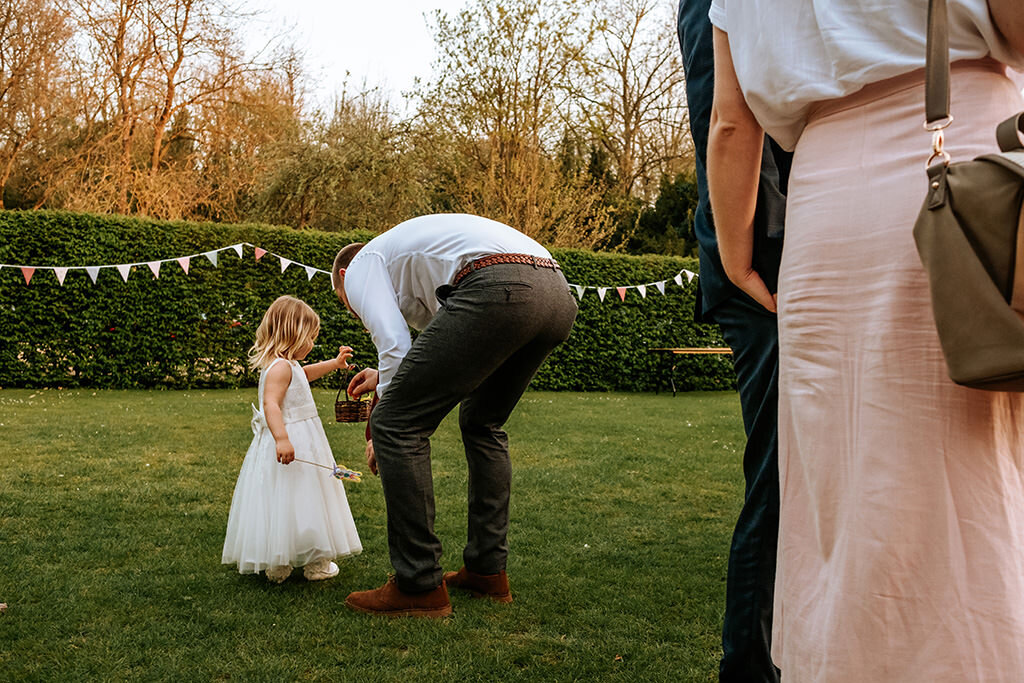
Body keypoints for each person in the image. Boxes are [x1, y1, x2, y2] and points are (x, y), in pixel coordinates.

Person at [707, 1, 1024, 679]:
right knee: (968, 486)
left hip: (821, 209)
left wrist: (736, 255)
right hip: (960, 178)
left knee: (840, 508)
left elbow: (732, 123)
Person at [333, 213, 578, 617]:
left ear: (344, 277)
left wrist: (379, 429)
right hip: (554, 292)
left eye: (347, 304)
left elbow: (394, 344)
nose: (356, 312)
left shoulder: (361, 265)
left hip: (500, 286)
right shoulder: (416, 267)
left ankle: (418, 584)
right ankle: (486, 572)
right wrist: (384, 378)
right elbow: (442, 356)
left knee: (397, 424)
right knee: (482, 422)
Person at [677, 2, 792, 681]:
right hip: (760, 266)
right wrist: (741, 254)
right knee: (779, 478)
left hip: (787, 251)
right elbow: (723, 118)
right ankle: (748, 666)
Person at [222, 295, 362, 583]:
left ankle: (279, 562)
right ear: (292, 334)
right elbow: (270, 404)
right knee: (306, 495)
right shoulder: (281, 368)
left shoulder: (286, 365)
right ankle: (315, 562)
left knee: (282, 498)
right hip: (294, 439)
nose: (311, 344)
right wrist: (282, 438)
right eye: (309, 338)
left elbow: (305, 374)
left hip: (294, 439)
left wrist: (334, 364)